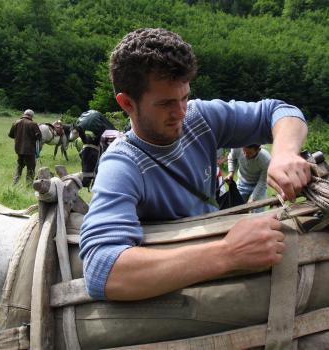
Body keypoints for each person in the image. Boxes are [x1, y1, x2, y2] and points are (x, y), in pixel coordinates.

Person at [79, 28, 311, 301]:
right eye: (166, 103)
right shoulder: (122, 165)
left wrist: (284, 153)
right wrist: (228, 253)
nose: (181, 113)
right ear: (127, 103)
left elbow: (279, 111)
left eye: (185, 97)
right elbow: (101, 270)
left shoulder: (199, 118)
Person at [225, 145, 271, 212]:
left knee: (257, 214)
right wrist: (231, 172)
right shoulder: (237, 147)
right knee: (237, 210)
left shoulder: (266, 159)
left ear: (258, 150)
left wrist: (253, 198)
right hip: (242, 183)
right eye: (244, 151)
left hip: (258, 185)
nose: (246, 155)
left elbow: (262, 181)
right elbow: (231, 158)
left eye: (249, 153)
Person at [8, 109, 41, 185]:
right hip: (29, 151)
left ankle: (15, 183)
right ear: (31, 116)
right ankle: (29, 186)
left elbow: (10, 135)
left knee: (19, 167)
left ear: (24, 114)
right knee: (31, 169)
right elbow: (39, 137)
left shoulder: (16, 122)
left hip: (19, 150)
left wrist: (18, 136)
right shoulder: (33, 124)